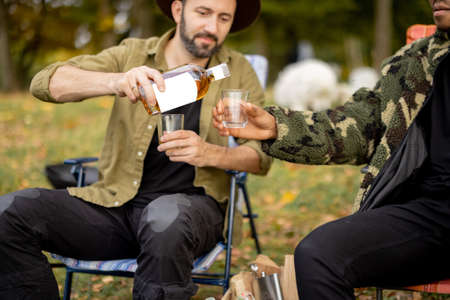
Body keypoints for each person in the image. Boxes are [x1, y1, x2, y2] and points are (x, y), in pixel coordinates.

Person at [0, 0, 272, 299]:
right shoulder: (132, 54)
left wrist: (211, 153)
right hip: (115, 209)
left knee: (163, 217)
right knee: (9, 213)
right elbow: (45, 83)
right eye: (203, 13)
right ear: (179, 11)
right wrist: (117, 80)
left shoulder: (236, 70)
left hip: (191, 214)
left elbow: (260, 158)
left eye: (224, 18)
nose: (212, 27)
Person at [213, 0, 450, 299]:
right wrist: (276, 127)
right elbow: (364, 125)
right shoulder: (419, 59)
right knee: (318, 254)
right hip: (430, 218)